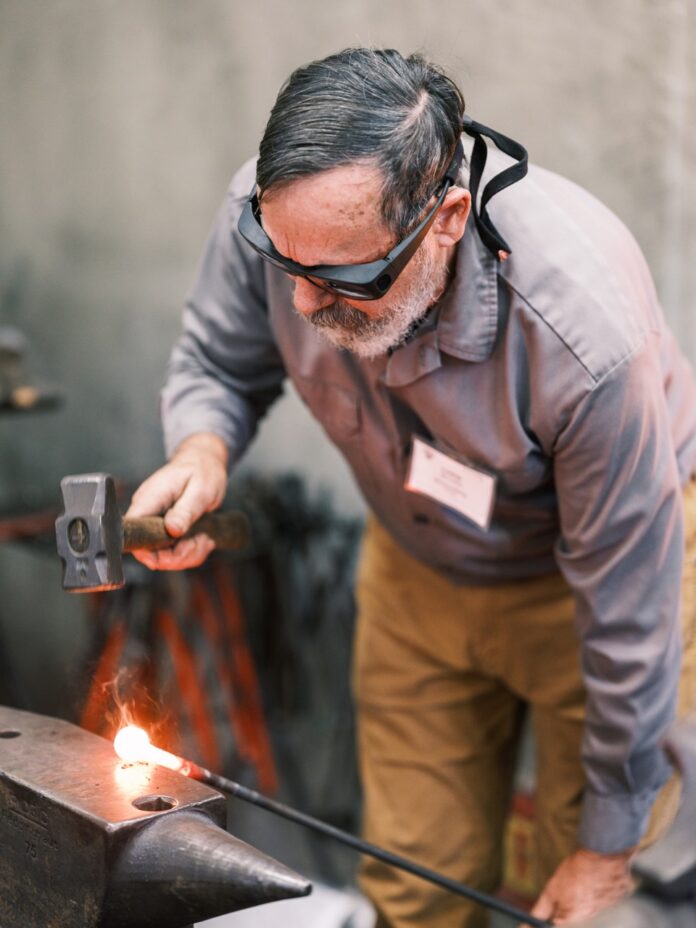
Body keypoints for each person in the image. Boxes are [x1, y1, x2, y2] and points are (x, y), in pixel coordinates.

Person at [127, 47, 696, 926]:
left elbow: (632, 609)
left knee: (576, 897)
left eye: (345, 280)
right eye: (287, 266)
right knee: (416, 882)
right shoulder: (281, 216)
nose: (307, 307)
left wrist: (606, 845)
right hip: (417, 560)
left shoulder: (584, 337)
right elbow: (217, 356)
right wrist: (202, 450)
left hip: (597, 585)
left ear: (447, 218)